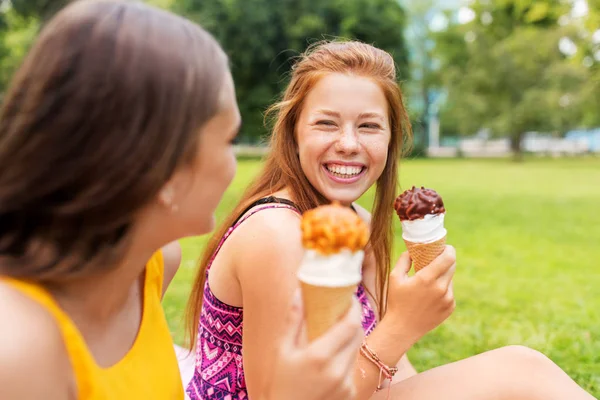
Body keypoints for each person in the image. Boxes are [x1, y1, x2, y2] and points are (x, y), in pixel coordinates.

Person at [186, 40, 595, 400]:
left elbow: (391, 378)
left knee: (520, 374)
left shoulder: (356, 224)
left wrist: (402, 333)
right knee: (521, 371)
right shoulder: (276, 235)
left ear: (390, 139)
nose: (348, 144)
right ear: (293, 133)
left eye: (369, 126)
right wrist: (403, 323)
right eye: (326, 123)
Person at [0, 2, 363, 399]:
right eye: (227, 141)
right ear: (163, 168)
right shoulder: (19, 348)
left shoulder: (151, 265)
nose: (233, 166)